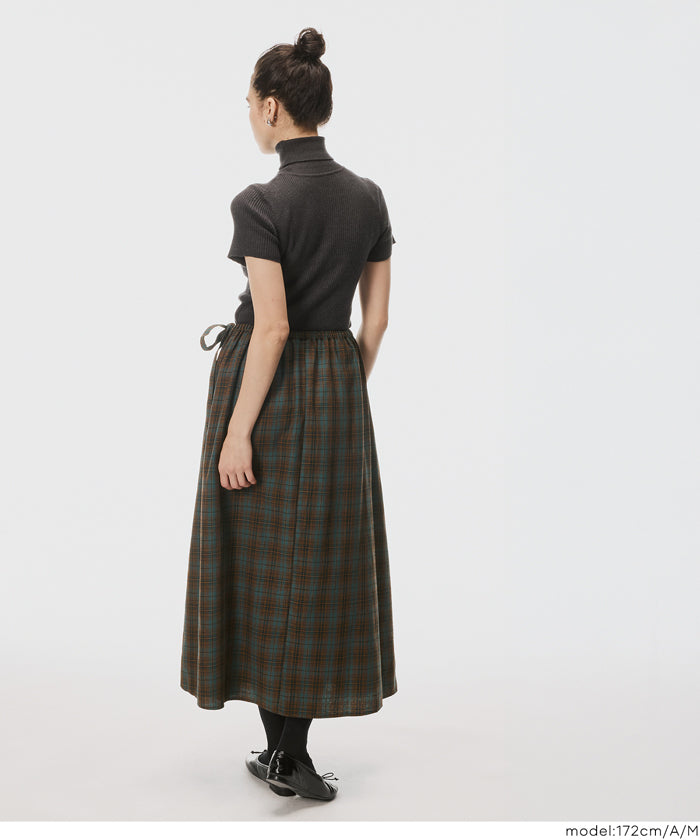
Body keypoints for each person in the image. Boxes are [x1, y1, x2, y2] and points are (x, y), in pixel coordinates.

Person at [180, 26, 398, 803]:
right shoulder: (368, 196)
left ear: (273, 107)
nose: (249, 113)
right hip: (337, 382)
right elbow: (375, 322)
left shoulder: (261, 201)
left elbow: (271, 326)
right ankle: (285, 755)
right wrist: (339, 388)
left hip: (262, 389)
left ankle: (284, 754)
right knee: (316, 566)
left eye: (250, 102)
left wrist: (238, 430)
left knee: (261, 565)